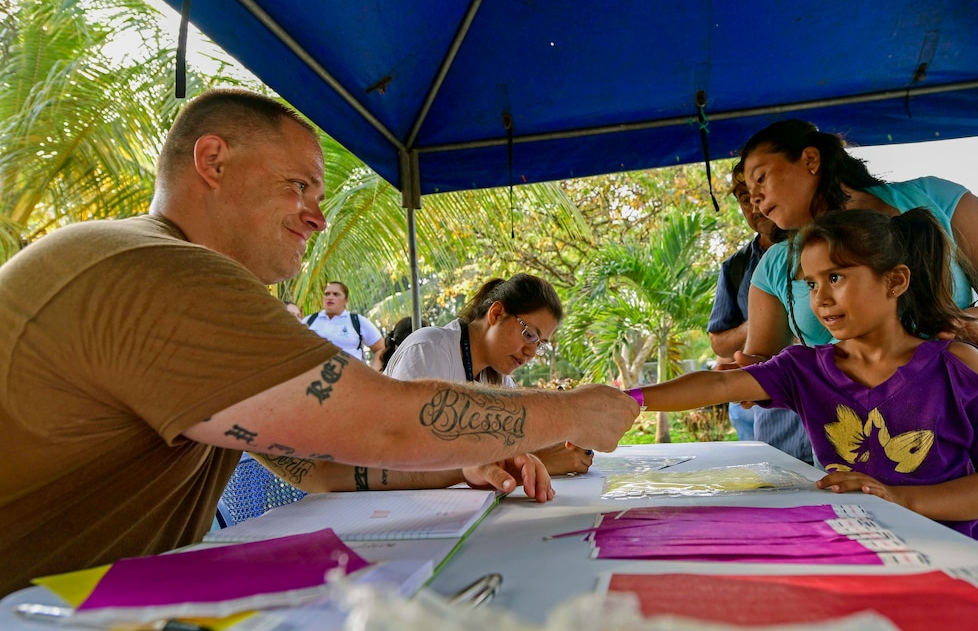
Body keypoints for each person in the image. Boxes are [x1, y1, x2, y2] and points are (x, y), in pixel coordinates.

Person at [0, 88, 638, 595]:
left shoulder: (162, 271)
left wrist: (464, 463)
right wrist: (571, 412)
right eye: (297, 185)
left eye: (320, 194)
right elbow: (378, 424)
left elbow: (322, 466)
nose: (317, 214)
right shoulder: (152, 270)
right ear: (212, 161)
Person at [734, 118, 978, 565]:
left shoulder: (934, 200)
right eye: (749, 190)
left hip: (972, 455)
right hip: (853, 464)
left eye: (761, 177)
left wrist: (968, 322)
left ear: (809, 160)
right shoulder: (773, 264)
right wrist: (744, 374)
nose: (755, 197)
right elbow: (760, 358)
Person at [632, 208, 978, 549]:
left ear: (895, 281)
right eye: (811, 283)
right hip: (861, 556)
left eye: (835, 277)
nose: (820, 298)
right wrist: (628, 400)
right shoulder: (801, 369)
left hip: (959, 560)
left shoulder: (958, 365)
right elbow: (718, 384)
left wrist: (898, 499)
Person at [384, 275, 595, 476]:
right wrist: (535, 459)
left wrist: (557, 445)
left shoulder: (499, 378)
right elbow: (411, 451)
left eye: (540, 345)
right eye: (530, 335)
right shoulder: (429, 349)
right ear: (496, 314)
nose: (531, 353)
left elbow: (514, 439)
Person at [708, 169, 812, 462]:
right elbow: (719, 343)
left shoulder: (822, 247)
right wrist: (766, 321)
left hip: (829, 396)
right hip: (770, 405)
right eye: (745, 199)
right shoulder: (737, 267)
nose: (756, 206)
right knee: (779, 483)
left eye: (762, 193)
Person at [305, 281, 386, 369]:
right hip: (313, 378)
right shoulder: (309, 321)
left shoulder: (357, 321)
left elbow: (381, 348)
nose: (330, 297)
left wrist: (373, 373)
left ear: (346, 300)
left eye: (336, 294)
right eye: (327, 294)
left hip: (351, 377)